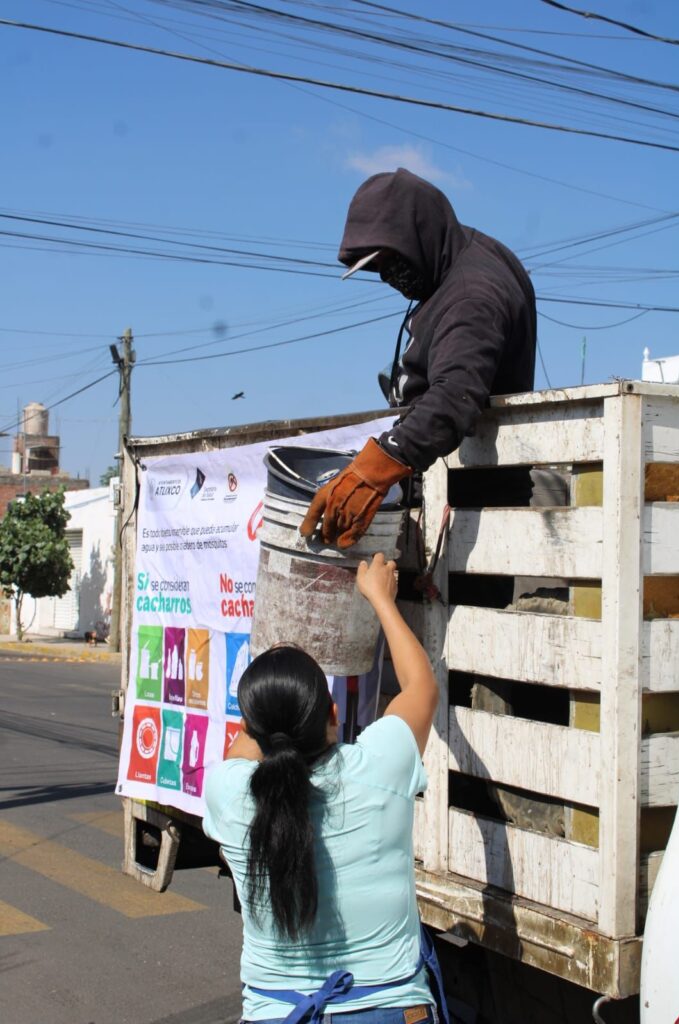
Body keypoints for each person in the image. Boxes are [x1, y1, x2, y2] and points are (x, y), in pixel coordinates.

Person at [203, 552, 445, 1024]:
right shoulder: (380, 765)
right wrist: (380, 598)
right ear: (333, 716)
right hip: (390, 1010)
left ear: (249, 729)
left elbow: (244, 751)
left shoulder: (229, 794)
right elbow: (421, 686)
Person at [300, 167, 537, 550]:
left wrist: (379, 465)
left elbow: (454, 396)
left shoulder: (469, 295)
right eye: (375, 269)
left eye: (388, 262)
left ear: (415, 235)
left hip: (470, 505)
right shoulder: (470, 256)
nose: (385, 277)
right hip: (465, 490)